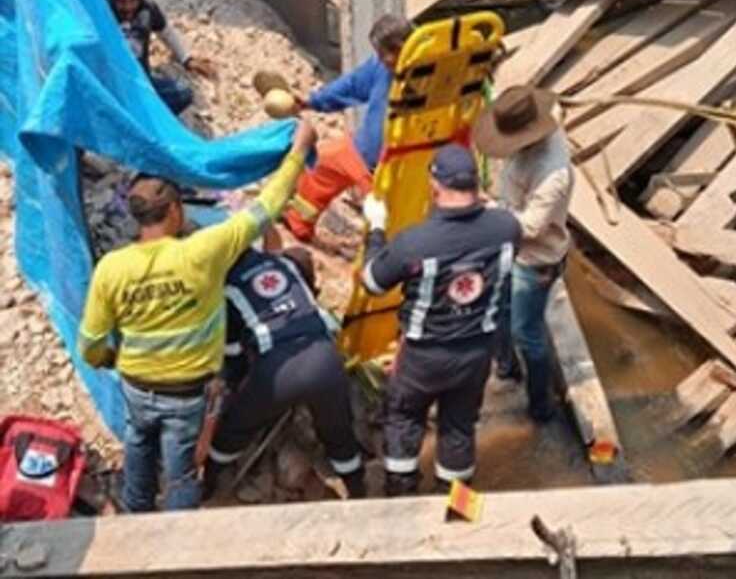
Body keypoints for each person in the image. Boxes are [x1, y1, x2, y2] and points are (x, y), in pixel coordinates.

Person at [77, 120, 317, 512]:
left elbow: (89, 344)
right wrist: (298, 151)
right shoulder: (204, 252)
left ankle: (135, 519)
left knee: (138, 449)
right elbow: (266, 207)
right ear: (174, 210)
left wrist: (111, 359)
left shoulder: (111, 269)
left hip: (136, 385)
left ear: (137, 216)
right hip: (186, 393)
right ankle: (179, 544)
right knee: (183, 474)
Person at [360, 144, 521, 496]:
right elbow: (496, 230)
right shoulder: (507, 229)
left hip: (422, 356)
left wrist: (376, 227)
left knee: (403, 419)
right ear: (477, 187)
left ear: (434, 187)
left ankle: (401, 498)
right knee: (459, 426)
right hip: (477, 353)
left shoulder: (415, 242)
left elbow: (371, 282)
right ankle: (455, 505)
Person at [204, 245, 365, 498]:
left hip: (279, 370)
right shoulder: (286, 264)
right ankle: (358, 489)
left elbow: (233, 354)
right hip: (325, 356)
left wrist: (238, 388)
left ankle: (209, 481)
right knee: (338, 432)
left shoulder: (228, 286)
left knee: (236, 428)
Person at [473, 86, 574, 423]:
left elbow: (530, 227)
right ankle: (506, 368)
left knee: (526, 333)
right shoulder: (548, 123)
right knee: (498, 308)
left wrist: (488, 211)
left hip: (535, 259)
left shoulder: (553, 174)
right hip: (508, 241)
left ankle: (540, 404)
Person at [283, 14, 413, 242]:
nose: (384, 58)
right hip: (364, 151)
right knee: (322, 163)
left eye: (389, 52)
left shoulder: (425, 74)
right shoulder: (382, 65)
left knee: (393, 224)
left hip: (388, 169)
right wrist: (312, 101)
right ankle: (298, 223)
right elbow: (352, 85)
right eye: (380, 52)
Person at [103, 0, 216, 115]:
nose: (128, 7)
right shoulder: (102, 18)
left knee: (183, 94)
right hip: (115, 88)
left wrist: (187, 59)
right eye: (122, 1)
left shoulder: (147, 11)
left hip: (143, 81)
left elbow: (166, 32)